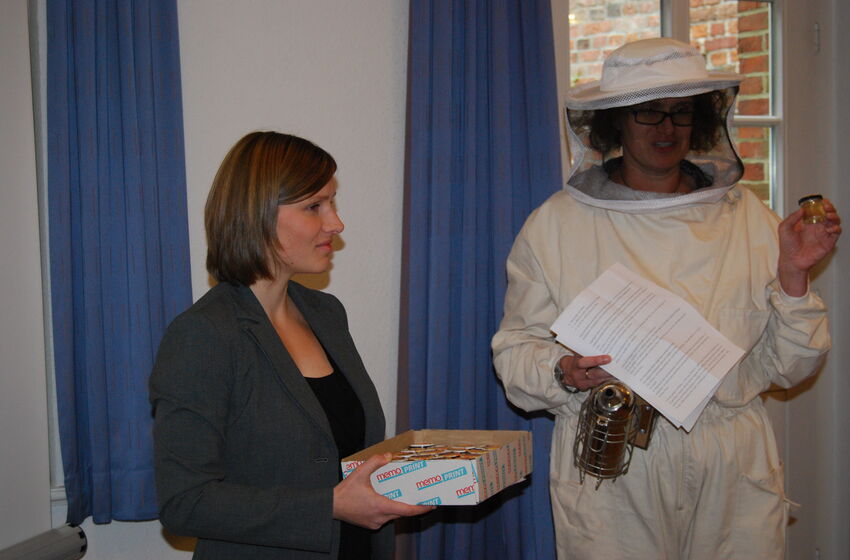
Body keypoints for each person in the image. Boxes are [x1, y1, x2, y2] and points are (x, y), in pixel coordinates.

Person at [491, 37, 842, 559]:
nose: (667, 129)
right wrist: (565, 371)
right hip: (612, 456)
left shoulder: (749, 219)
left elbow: (791, 368)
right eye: (648, 113)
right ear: (614, 124)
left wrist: (793, 276)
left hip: (731, 459)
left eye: (681, 112)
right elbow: (516, 352)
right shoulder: (557, 225)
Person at [150, 131, 432, 559]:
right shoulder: (205, 335)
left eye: (332, 202)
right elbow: (185, 502)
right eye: (314, 206)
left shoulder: (326, 313)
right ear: (257, 215)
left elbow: (345, 452)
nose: (336, 223)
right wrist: (330, 507)